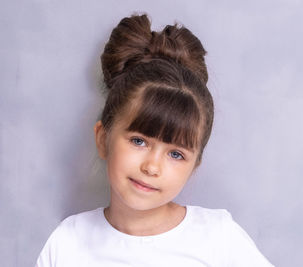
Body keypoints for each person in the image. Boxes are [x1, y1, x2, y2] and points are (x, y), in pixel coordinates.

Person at [36, 13, 275, 267]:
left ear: (194, 166)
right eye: (139, 141)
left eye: (176, 154)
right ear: (103, 138)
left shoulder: (219, 239)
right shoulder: (67, 244)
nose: (152, 167)